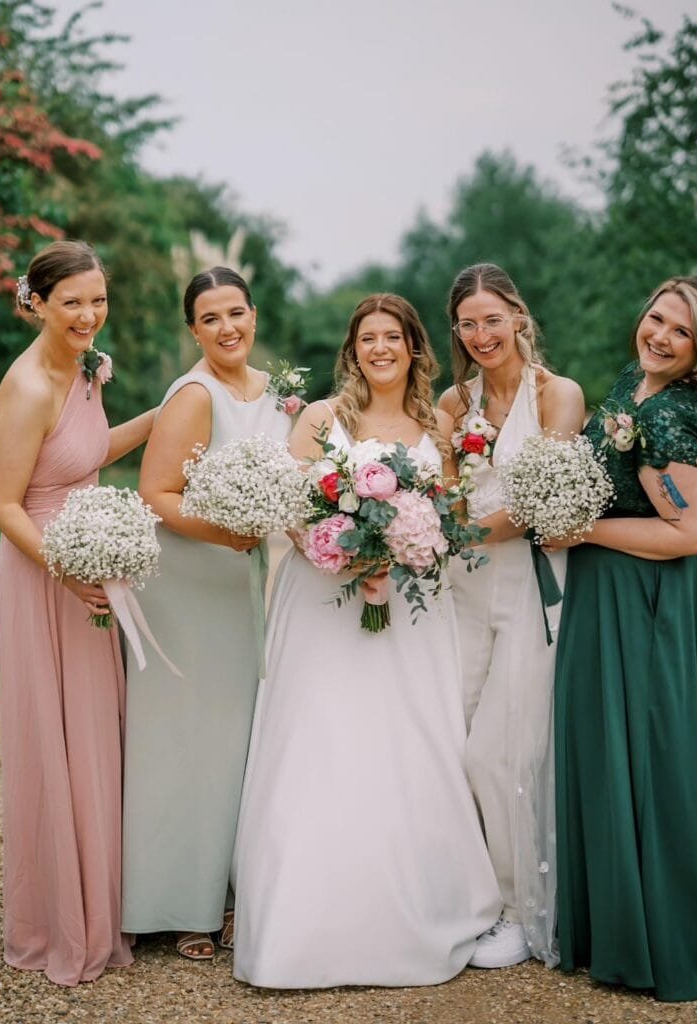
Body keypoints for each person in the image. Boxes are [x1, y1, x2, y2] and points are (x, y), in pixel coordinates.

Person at [232, 294, 502, 989]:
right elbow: (293, 508)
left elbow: (454, 510)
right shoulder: (323, 418)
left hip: (410, 613)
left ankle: (410, 912)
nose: (380, 348)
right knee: (320, 740)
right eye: (367, 338)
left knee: (407, 742)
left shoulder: (437, 423)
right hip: (324, 603)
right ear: (352, 350)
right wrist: (343, 551)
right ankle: (302, 928)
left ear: (414, 346)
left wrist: (408, 541)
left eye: (393, 337)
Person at [0, 239, 155, 986]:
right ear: (38, 303)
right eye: (73, 303)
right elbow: (2, 502)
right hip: (44, 573)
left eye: (99, 299)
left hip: (88, 563)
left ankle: (100, 898)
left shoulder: (90, 368)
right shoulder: (25, 386)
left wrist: (166, 412)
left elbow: (84, 457)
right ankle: (57, 913)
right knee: (56, 735)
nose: (90, 315)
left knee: (93, 728)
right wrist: (65, 569)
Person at [121, 267, 292, 961]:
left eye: (236, 314)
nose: (227, 328)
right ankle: (175, 903)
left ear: (254, 315)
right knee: (187, 741)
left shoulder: (276, 394)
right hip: (189, 583)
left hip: (239, 579)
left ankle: (224, 892)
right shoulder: (195, 395)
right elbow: (155, 491)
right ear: (194, 330)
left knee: (236, 740)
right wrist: (229, 530)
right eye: (211, 319)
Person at [552, 276, 697, 1002]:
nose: (660, 337)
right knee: (608, 753)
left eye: (681, 332)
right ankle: (613, 928)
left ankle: (663, 939)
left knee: (651, 757)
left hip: (649, 602)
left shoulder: (672, 415)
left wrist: (580, 527)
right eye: (656, 319)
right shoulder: (630, 387)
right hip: (604, 595)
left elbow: (693, 531)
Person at [438, 263, 585, 968]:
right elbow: (435, 489)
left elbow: (541, 501)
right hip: (461, 592)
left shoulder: (558, 395)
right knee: (449, 736)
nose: (481, 334)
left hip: (532, 587)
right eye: (468, 323)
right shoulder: (450, 402)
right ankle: (470, 898)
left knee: (502, 749)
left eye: (493, 319)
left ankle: (525, 910)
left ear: (519, 317)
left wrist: (466, 529)